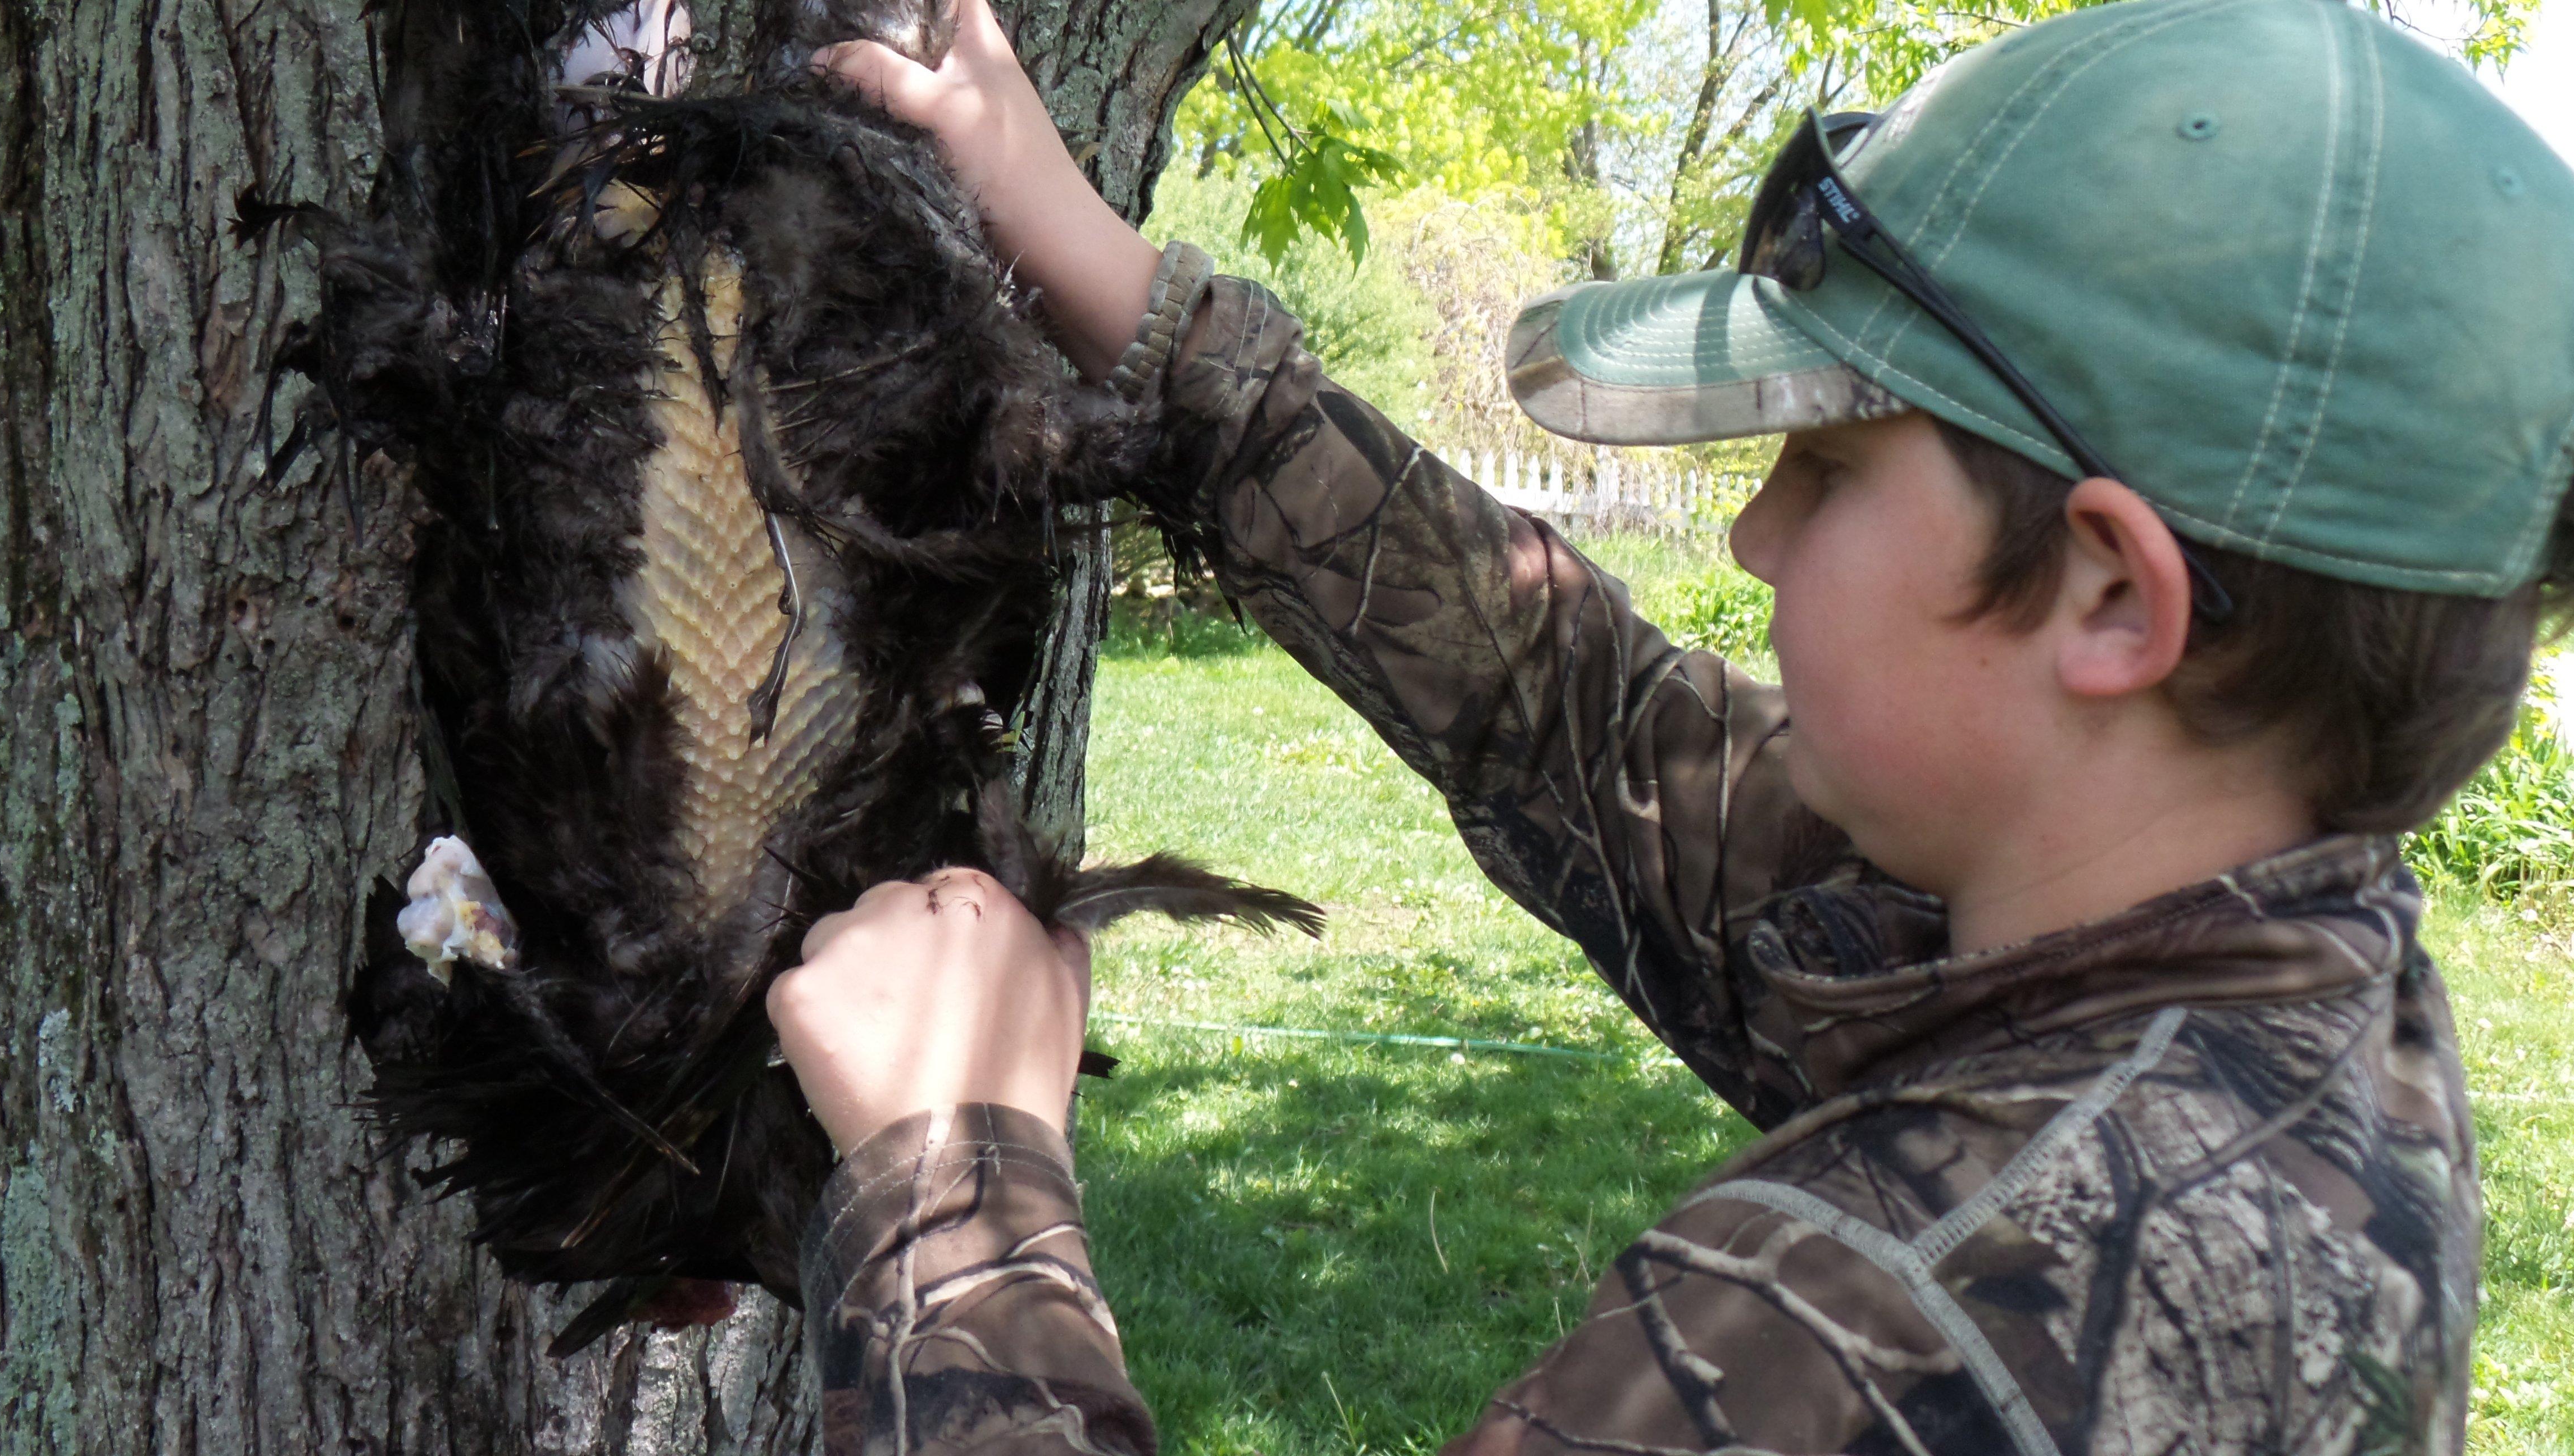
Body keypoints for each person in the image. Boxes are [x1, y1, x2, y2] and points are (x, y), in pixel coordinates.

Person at [765, 0, 2574, 1450]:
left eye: (1832, 463)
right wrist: (1138, 308)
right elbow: (1579, 716)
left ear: (2112, 595)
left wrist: (958, 1215)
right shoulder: (2280, 999)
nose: (1755, 531)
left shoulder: (1850, 1337)